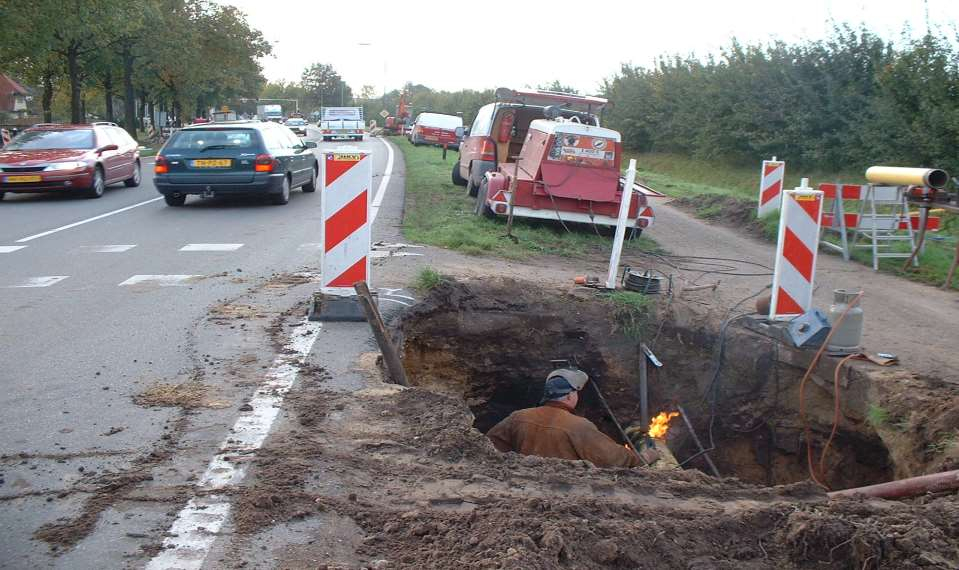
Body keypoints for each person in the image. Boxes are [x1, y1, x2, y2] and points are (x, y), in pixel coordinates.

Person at [487, 368, 658, 468]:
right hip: (567, 494)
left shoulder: (518, 417)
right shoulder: (579, 426)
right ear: (570, 396)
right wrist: (645, 458)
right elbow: (613, 458)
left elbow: (489, 444)